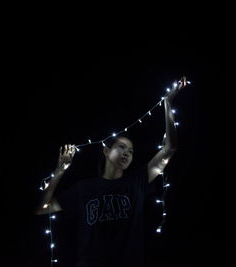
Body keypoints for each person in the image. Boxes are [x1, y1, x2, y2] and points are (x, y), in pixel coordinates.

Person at [35, 76, 188, 267]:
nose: (127, 153)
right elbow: (42, 208)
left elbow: (170, 148)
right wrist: (60, 170)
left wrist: (167, 103)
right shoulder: (84, 188)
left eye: (131, 151)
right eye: (122, 147)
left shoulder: (137, 181)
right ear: (106, 151)